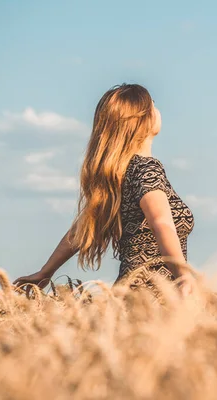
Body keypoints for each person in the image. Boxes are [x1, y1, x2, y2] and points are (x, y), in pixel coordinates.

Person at [13, 83, 196, 299]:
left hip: (129, 297)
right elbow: (161, 222)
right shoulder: (147, 169)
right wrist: (183, 276)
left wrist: (46, 272)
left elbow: (81, 230)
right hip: (155, 300)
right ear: (142, 120)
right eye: (153, 105)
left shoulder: (119, 175)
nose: (157, 110)